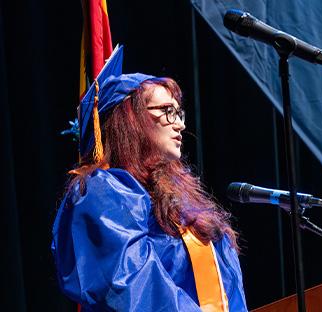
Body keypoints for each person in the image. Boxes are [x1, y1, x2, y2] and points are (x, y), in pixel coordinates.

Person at [52, 49, 247, 311]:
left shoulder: (181, 202)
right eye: (167, 111)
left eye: (179, 113)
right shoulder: (103, 192)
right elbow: (129, 285)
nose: (179, 124)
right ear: (130, 120)